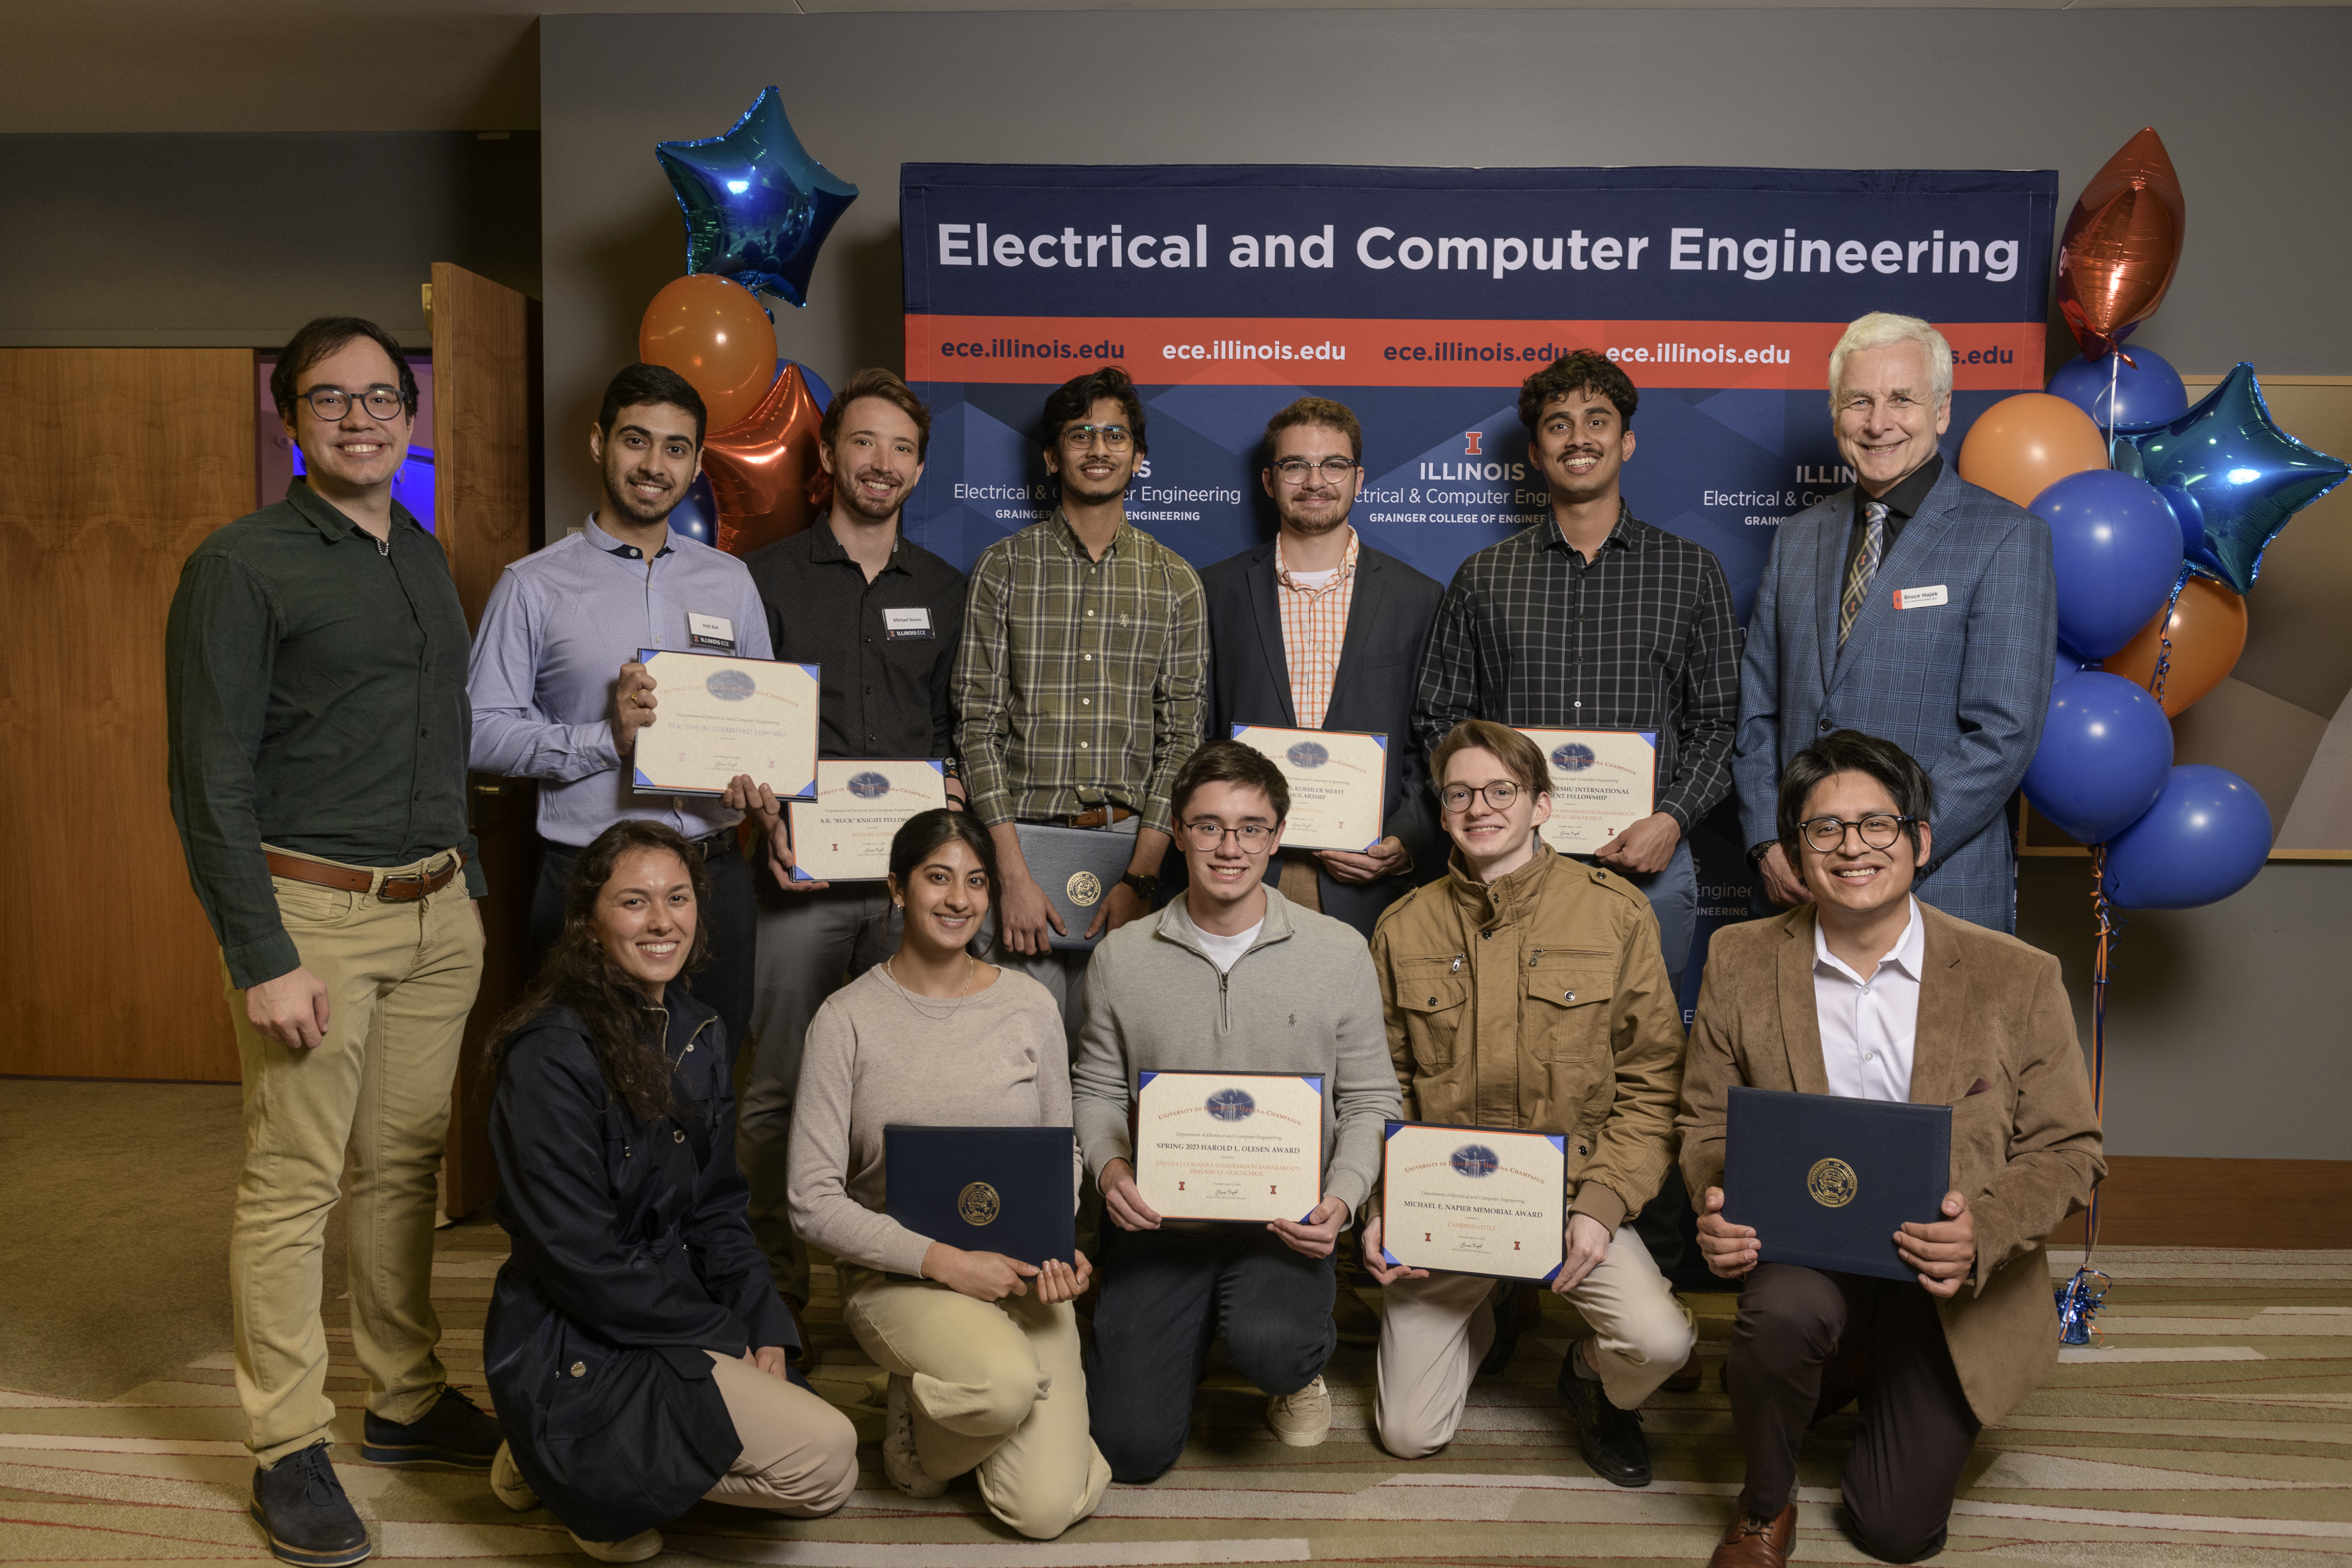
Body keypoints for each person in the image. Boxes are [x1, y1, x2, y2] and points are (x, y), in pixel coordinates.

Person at [166, 315, 500, 1567]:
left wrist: (459, 883)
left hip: (436, 911)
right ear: (290, 418)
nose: (360, 418)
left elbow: (431, 738)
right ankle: (287, 1441)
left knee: (408, 1167)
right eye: (330, 399)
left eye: (380, 397)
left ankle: (406, 1398)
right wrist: (261, 952)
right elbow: (208, 778)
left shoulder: (419, 553)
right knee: (292, 1182)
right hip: (312, 916)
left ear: (408, 416)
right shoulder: (243, 564)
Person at [1681, 730, 2102, 1566]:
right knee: (1782, 1315)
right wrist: (1716, 1202)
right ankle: (1765, 1503)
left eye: (1877, 824)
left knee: (1896, 1533)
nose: (1851, 848)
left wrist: (1979, 1231)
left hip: (1942, 1279)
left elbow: (2070, 1150)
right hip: (1808, 1258)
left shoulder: (2017, 976)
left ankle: (1872, 1377)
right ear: (1795, 851)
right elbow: (1705, 1125)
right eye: (1823, 829)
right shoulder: (1739, 959)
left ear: (1920, 840)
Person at [482, 820, 858, 1563]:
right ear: (589, 921)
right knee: (823, 1463)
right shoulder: (549, 1054)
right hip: (576, 1333)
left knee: (814, 1438)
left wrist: (765, 1325)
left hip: (670, 1308)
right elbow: (581, 1260)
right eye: (634, 902)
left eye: (678, 898)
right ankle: (576, 1477)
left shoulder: (698, 1028)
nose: (661, 921)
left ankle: (556, 1460)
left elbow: (720, 1208)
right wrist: (725, 1337)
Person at [1360, 721, 1694, 1484]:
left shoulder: (1614, 914)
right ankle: (1483, 1308)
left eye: (1501, 791)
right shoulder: (1403, 928)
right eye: (1460, 794)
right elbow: (1384, 1086)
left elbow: (1653, 1080)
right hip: (1447, 1202)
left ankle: (1588, 1376)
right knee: (1409, 1434)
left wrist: (1603, 1203)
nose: (1481, 807)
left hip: (1572, 1197)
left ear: (1542, 804)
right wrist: (1386, 1202)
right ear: (1442, 813)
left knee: (1660, 1344)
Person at [1071, 740, 1402, 1482]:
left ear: (1278, 835)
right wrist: (1109, 1167)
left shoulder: (1339, 951)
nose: (1231, 847)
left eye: (1251, 827)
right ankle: (1175, 1338)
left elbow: (1373, 1098)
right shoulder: (1122, 956)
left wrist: (1342, 1200)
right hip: (1161, 1222)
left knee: (1272, 1346)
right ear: (1180, 833)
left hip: (1284, 1227)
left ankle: (1287, 1367)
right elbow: (1093, 1089)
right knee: (1130, 1452)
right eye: (1210, 826)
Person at [785, 809, 1110, 1538]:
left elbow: (1062, 1153)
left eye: (976, 881)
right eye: (938, 878)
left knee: (1044, 1511)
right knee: (1000, 1387)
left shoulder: (1031, 1005)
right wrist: (943, 1262)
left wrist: (1056, 1243)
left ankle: (982, 1407)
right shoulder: (845, 1020)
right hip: (898, 1279)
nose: (958, 899)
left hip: (1024, 1271)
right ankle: (921, 1435)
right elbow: (810, 1201)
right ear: (898, 888)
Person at [735, 370, 969, 1324]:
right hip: (798, 882)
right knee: (780, 1095)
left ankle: (890, 1295)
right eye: (864, 444)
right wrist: (759, 808)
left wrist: (952, 785)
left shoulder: (946, 589)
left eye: (902, 448)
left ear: (919, 467)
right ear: (828, 457)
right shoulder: (766, 579)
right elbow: (740, 724)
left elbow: (958, 723)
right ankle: (774, 1296)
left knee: (908, 1092)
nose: (882, 463)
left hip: (906, 892)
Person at [468, 362, 773, 1058]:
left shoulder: (730, 580)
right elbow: (478, 732)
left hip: (712, 877)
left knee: (711, 1076)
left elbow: (764, 726)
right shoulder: (533, 586)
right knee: (581, 1079)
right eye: (637, 441)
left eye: (675, 448)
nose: (654, 465)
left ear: (696, 464)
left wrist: (763, 789)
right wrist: (605, 738)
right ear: (600, 443)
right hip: (588, 878)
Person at [1413, 350, 1739, 983]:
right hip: (1513, 861)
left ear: (1628, 441)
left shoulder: (1690, 572)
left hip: (1649, 863)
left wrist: (1670, 820)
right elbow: (1439, 720)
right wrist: (1494, 813)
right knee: (1512, 1046)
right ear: (1535, 452)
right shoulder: (1484, 577)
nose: (1579, 438)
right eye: (1559, 424)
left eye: (1598, 420)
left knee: (1642, 1056)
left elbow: (1721, 723)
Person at [1734, 313, 2057, 935]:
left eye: (1901, 399)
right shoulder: (1798, 539)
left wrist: (1888, 846)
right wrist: (1766, 842)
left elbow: (2003, 732)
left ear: (1941, 411)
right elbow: (1758, 712)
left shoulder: (2008, 538)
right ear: (1836, 416)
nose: (1878, 422)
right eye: (1859, 401)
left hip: (1942, 887)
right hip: (1801, 886)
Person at [953, 365, 1208, 1044]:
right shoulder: (1003, 567)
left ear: (1139, 457)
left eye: (1115, 435)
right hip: (1019, 848)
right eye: (1080, 434)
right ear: (1051, 455)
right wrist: (1009, 873)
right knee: (1015, 1061)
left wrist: (1142, 882)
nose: (1098, 448)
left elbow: (1182, 739)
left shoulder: (1176, 580)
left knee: (1117, 1066)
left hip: (1130, 855)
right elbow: (975, 723)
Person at [1198, 395, 1445, 937]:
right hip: (1243, 874)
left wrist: (1404, 841)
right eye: (1295, 465)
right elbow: (1196, 735)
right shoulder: (1214, 592)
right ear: (1269, 481)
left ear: (1358, 478)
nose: (1315, 481)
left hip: (1367, 882)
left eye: (1333, 464)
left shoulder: (1419, 598)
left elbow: (1433, 743)